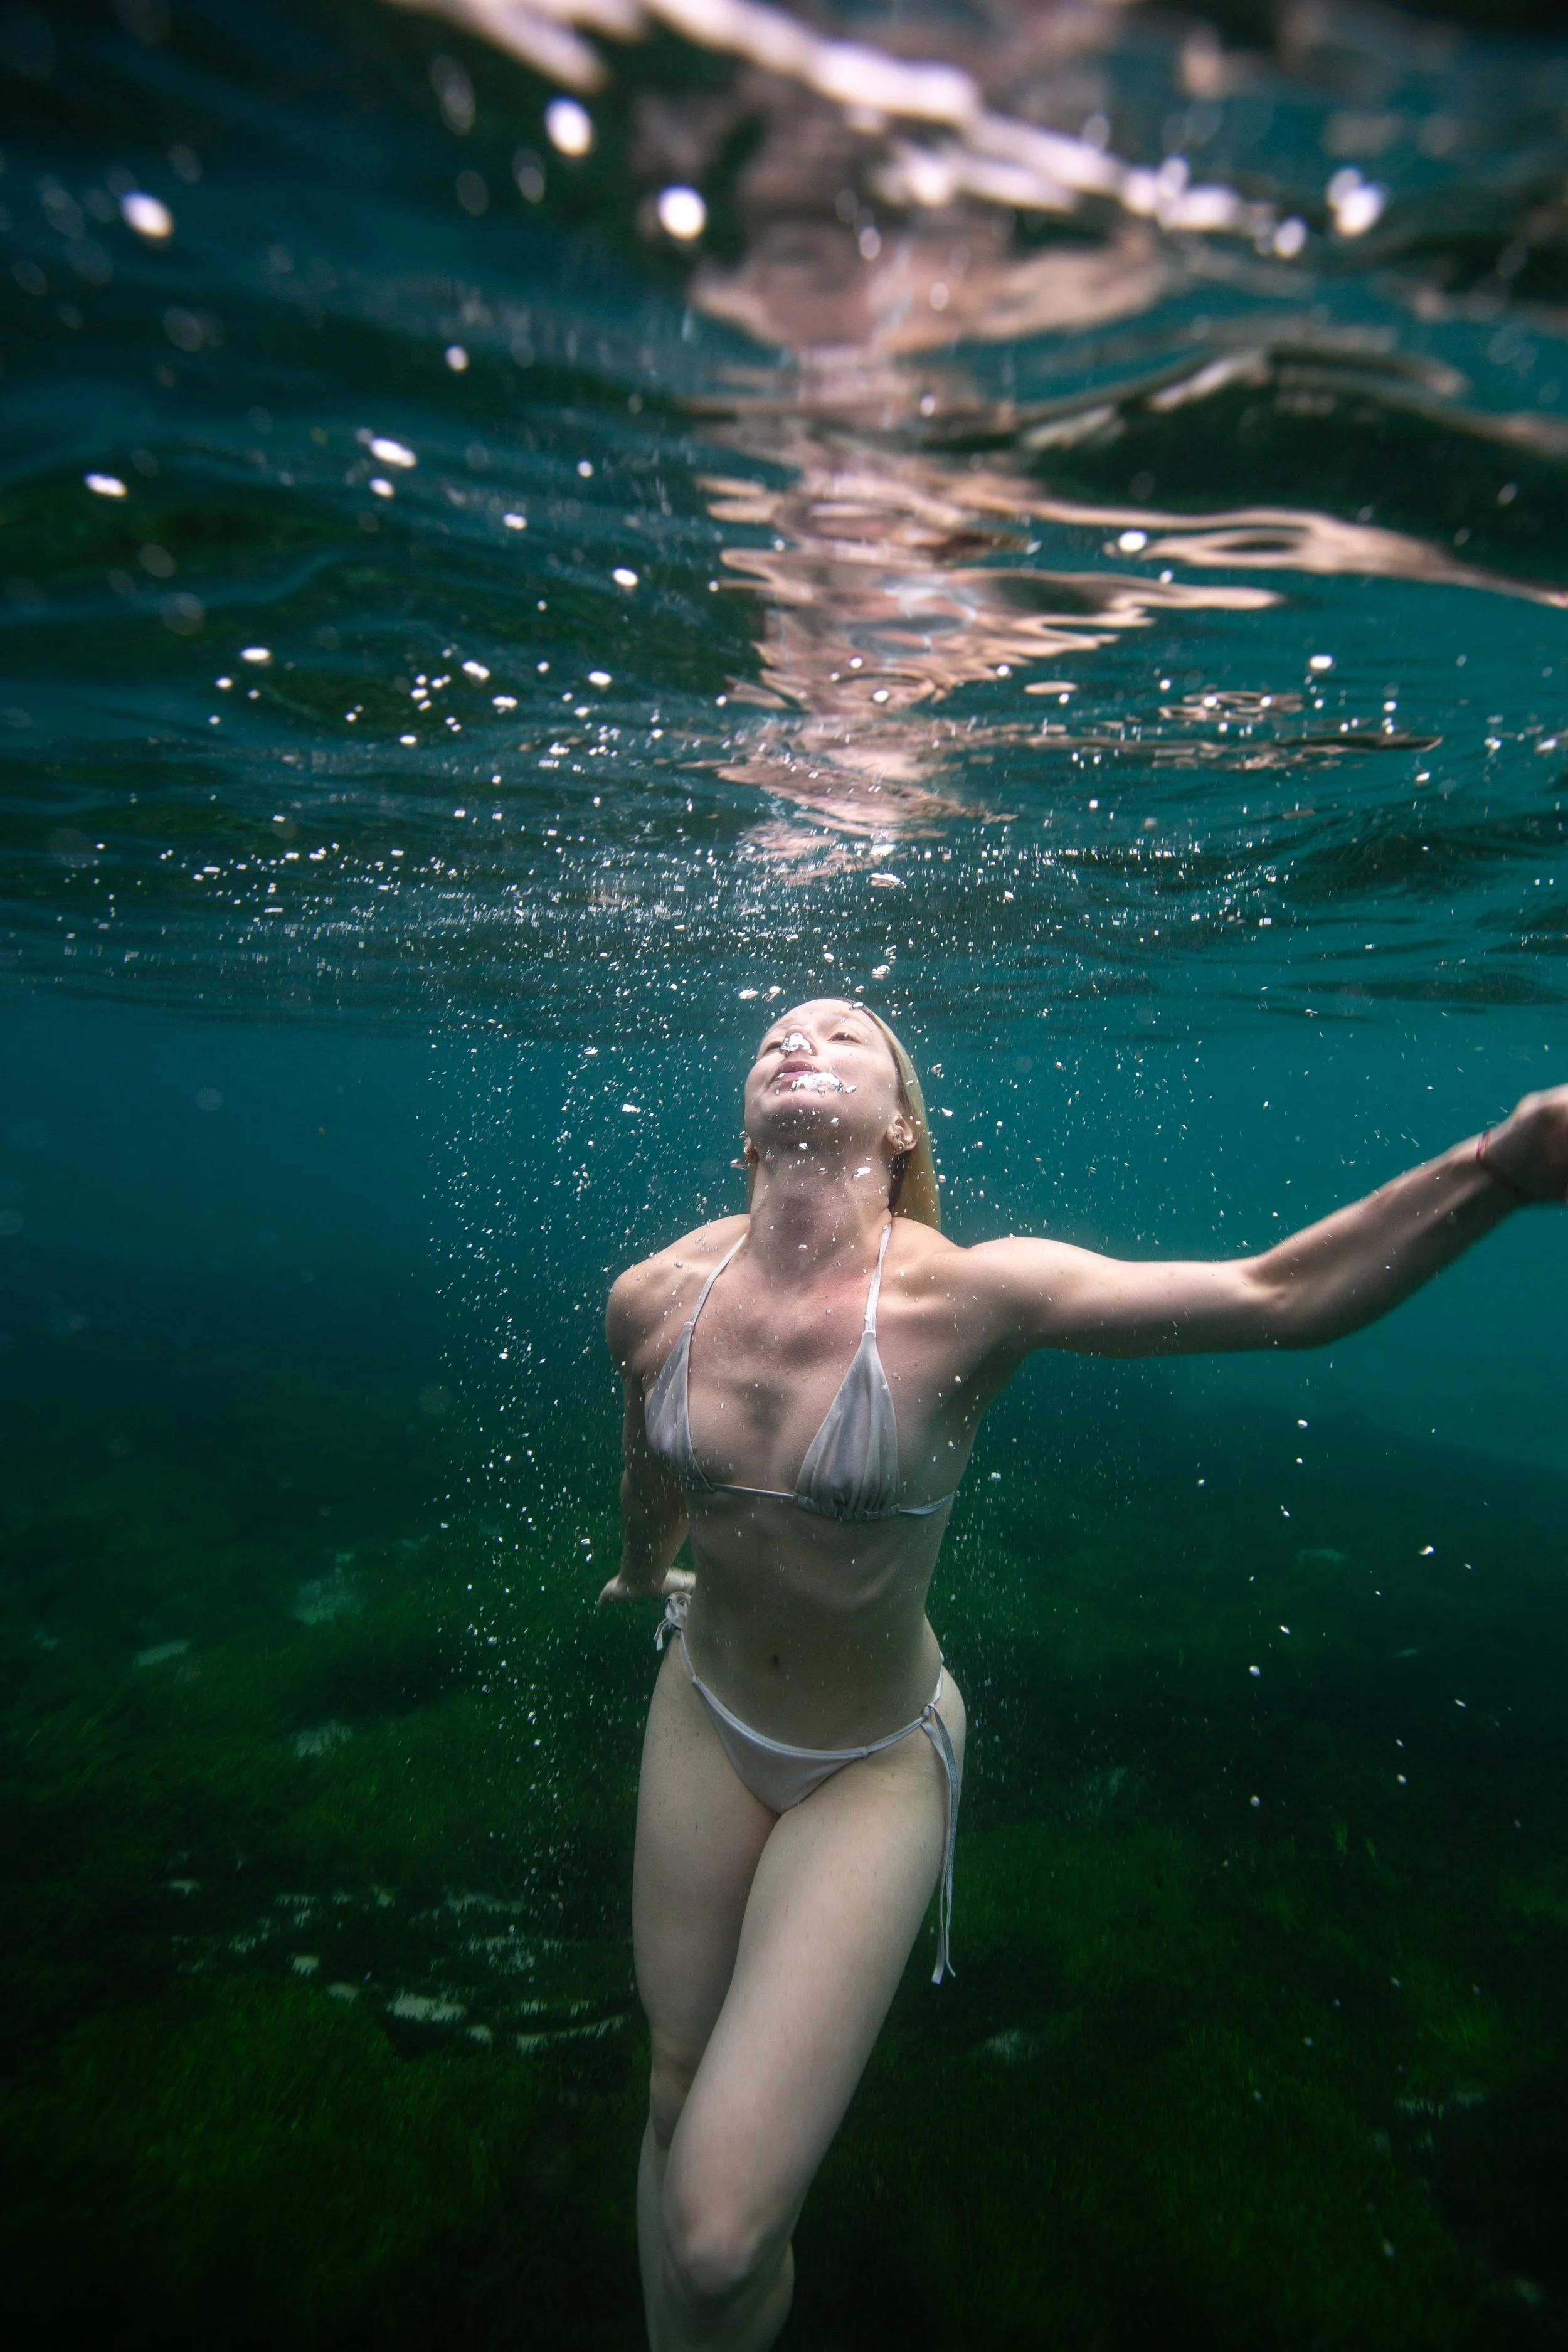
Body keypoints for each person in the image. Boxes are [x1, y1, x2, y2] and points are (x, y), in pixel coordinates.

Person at [600, 997, 1565, 2352]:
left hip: (866, 1764)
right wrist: (647, 1573)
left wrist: (1501, 1171)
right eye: (774, 1029)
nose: (797, 1036)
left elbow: (1271, 1297)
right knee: (669, 2094)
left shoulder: (969, 1297)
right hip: (698, 1716)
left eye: (847, 1032)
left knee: (715, 2239)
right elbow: (652, 1460)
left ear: (898, 1129)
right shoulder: (652, 1295)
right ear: (742, 1124)